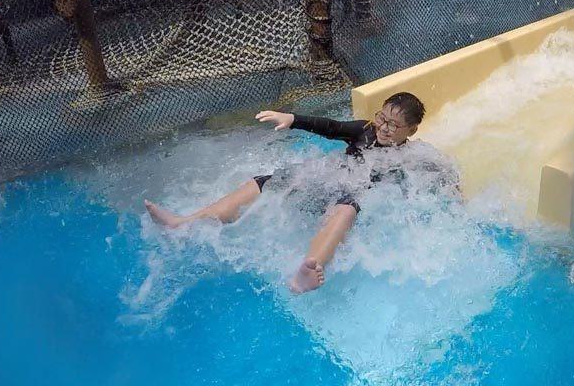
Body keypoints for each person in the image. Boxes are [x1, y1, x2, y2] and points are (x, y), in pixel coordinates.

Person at [144, 92, 427, 294]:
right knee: (269, 181)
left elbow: (419, 183)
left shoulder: (408, 157)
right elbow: (330, 127)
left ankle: (309, 271)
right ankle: (186, 222)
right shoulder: (364, 130)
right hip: (328, 181)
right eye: (382, 117)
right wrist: (292, 118)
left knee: (346, 208)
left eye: (393, 125)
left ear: (411, 131)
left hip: (349, 198)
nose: (384, 127)